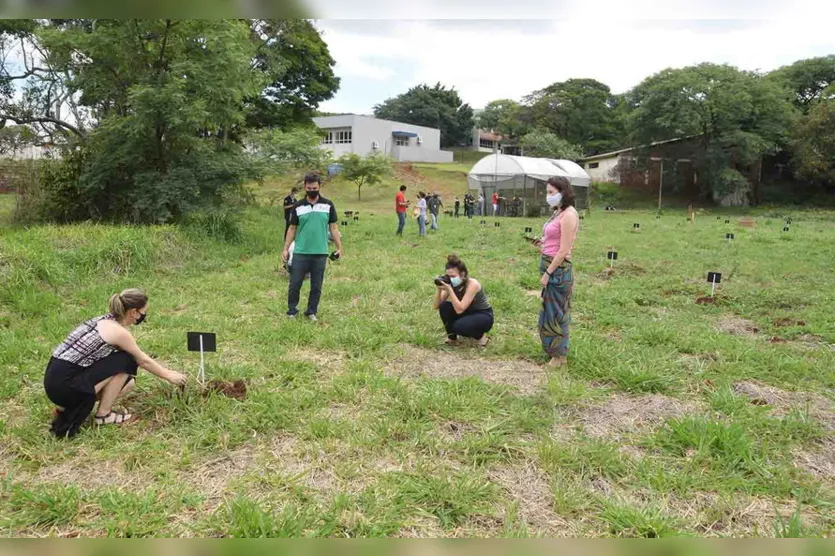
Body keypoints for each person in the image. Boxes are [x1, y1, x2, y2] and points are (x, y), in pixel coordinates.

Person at [44, 289, 188, 438]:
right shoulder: (119, 332)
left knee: (128, 383)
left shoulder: (102, 320)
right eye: (143, 312)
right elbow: (142, 360)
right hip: (65, 387)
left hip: (53, 382)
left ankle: (65, 407)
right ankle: (103, 415)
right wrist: (168, 375)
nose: (143, 317)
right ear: (133, 312)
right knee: (127, 359)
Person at [282, 172, 343, 321]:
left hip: (320, 253)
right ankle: (292, 311)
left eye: (314, 187)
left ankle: (311, 311)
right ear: (304, 187)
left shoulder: (328, 205)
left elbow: (333, 228)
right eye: (309, 187)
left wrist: (340, 247)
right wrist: (285, 249)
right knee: (295, 284)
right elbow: (292, 229)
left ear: (319, 186)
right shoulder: (298, 206)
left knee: (316, 286)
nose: (312, 190)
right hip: (301, 252)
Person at [537, 176, 580, 367]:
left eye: (551, 192)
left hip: (558, 271)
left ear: (563, 192)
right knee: (548, 312)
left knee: (557, 313)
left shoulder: (570, 214)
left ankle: (560, 356)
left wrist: (548, 273)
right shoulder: (557, 213)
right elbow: (554, 239)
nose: (548, 196)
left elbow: (564, 250)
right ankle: (552, 350)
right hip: (550, 263)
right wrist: (543, 243)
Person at [433, 255, 493, 347]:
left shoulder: (473, 284)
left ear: (463, 274)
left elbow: (459, 310)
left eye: (453, 276)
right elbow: (436, 306)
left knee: (459, 327)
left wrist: (450, 290)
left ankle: (481, 337)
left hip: (483, 315)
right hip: (466, 312)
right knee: (444, 306)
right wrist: (439, 289)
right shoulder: (451, 284)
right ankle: (452, 339)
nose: (450, 279)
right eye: (448, 276)